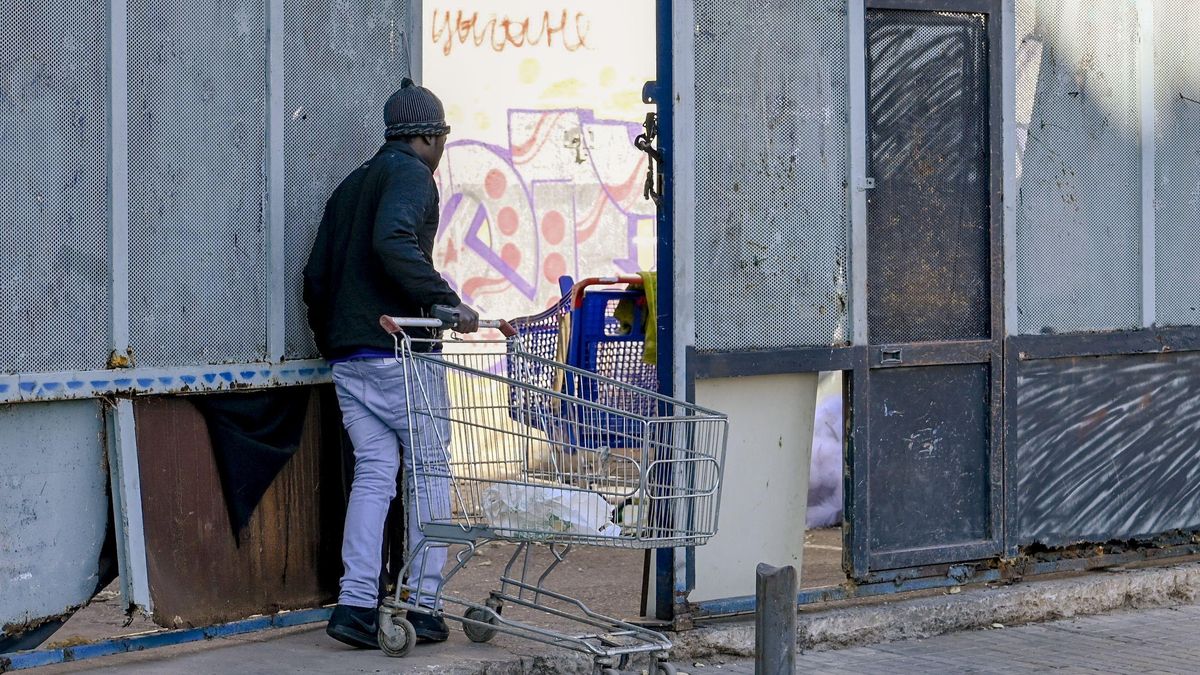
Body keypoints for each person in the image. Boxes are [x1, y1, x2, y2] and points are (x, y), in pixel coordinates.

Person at [303, 77, 479, 649]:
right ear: (429, 136)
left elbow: (315, 278)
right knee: (429, 469)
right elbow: (393, 241)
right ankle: (425, 606)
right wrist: (444, 299)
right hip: (400, 353)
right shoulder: (411, 175)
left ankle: (355, 605)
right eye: (443, 138)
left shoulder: (352, 184)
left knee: (376, 473)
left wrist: (336, 340)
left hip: (352, 360)